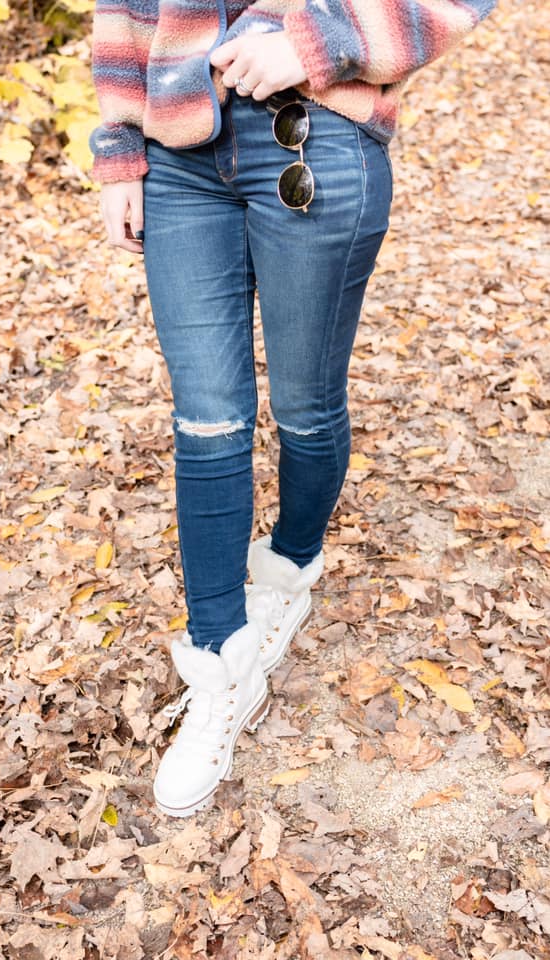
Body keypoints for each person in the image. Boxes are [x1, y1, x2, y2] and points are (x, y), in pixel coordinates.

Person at [89, 0, 496, 818]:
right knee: (206, 418)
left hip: (318, 140)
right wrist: (119, 147)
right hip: (179, 158)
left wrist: (321, 43)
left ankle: (292, 566)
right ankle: (218, 663)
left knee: (307, 408)